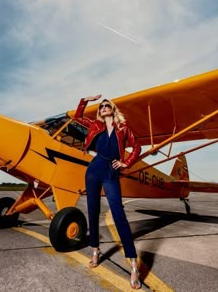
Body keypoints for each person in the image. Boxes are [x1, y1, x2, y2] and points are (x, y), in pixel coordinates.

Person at [74, 95, 142, 289]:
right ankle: (95, 250)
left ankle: (134, 264)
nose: (103, 107)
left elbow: (137, 147)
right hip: (94, 170)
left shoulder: (123, 128)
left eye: (106, 105)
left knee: (119, 214)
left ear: (112, 109)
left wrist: (125, 163)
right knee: (93, 211)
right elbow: (78, 116)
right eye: (101, 106)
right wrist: (85, 100)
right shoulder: (95, 125)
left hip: (111, 172)